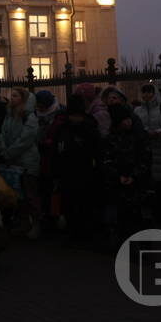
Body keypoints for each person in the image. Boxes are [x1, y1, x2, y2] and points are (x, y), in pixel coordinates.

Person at [52, 94, 103, 246]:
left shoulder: (89, 127)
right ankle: (74, 232)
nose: (75, 118)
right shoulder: (64, 127)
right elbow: (56, 148)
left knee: (83, 203)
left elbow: (97, 149)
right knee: (69, 204)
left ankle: (84, 233)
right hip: (67, 171)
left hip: (84, 171)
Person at [101, 102, 150, 243]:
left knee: (135, 215)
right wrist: (118, 176)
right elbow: (106, 161)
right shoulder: (110, 139)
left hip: (135, 183)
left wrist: (134, 175)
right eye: (124, 119)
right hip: (118, 184)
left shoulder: (137, 137)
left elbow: (145, 158)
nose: (128, 122)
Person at [0, 88, 42, 239]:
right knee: (19, 196)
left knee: (30, 194)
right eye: (12, 96)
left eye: (15, 96)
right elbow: (2, 133)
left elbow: (26, 139)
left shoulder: (29, 117)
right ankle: (23, 223)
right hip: (13, 160)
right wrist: (4, 149)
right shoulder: (9, 115)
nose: (12, 99)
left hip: (27, 161)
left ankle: (36, 224)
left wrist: (9, 152)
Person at [133, 84, 161, 221]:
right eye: (144, 92)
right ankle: (156, 213)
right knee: (151, 184)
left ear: (154, 93)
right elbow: (136, 128)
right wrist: (145, 133)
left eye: (149, 92)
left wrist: (160, 132)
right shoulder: (138, 111)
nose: (146, 95)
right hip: (146, 149)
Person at [34, 90, 66, 227]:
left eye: (41, 105)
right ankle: (46, 216)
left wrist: (50, 142)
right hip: (41, 158)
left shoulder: (59, 115)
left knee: (54, 190)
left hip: (54, 158)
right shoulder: (36, 115)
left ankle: (54, 217)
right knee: (44, 190)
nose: (39, 108)